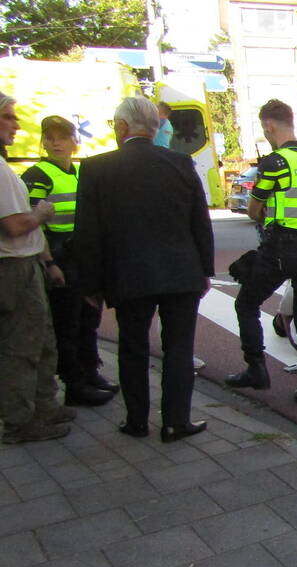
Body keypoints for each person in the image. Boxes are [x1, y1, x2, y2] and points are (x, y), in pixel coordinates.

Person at [74, 96, 214, 443]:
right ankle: (175, 422)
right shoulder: (181, 164)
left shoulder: (96, 168)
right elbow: (200, 223)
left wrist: (90, 284)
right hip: (181, 273)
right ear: (155, 128)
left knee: (133, 347)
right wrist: (204, 271)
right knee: (179, 349)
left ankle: (137, 420)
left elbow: (88, 234)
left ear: (122, 127)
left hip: (128, 275)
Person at [225, 99, 297, 410]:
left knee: (246, 303)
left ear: (269, 125)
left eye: (264, 129)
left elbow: (254, 207)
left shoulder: (275, 162)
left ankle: (256, 368)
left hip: (282, 248)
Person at [22, 115, 118, 407]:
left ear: (74, 142)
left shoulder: (80, 173)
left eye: (62, 137)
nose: (55, 143)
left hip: (82, 257)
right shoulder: (37, 174)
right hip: (59, 256)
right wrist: (50, 263)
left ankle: (91, 372)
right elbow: (33, 223)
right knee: (67, 324)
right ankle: (74, 385)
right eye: (49, 138)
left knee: (89, 318)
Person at [0, 91, 72, 445]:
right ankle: (19, 421)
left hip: (26, 262)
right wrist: (41, 215)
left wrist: (46, 261)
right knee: (21, 345)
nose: (16, 125)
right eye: (9, 117)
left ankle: (44, 406)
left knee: (42, 339)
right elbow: (14, 225)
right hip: (11, 265)